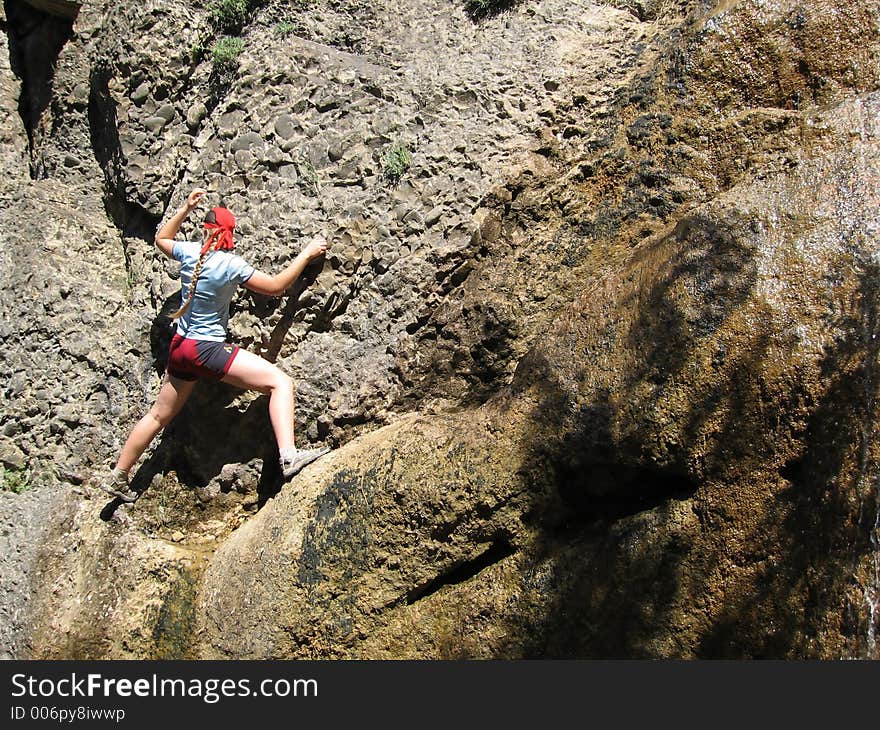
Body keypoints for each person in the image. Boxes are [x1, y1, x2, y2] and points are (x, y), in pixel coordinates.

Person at [101, 188, 330, 502]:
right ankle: (289, 457)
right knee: (280, 383)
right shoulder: (229, 264)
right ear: (229, 233)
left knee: (157, 416)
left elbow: (161, 240)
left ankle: (119, 475)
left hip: (180, 348)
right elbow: (276, 287)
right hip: (206, 350)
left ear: (205, 229)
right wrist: (306, 254)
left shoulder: (189, 253)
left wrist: (184, 209)